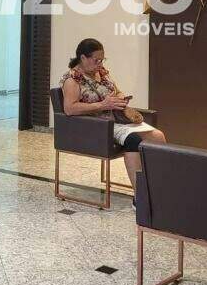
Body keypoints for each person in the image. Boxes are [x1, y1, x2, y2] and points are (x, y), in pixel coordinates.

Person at [60, 37, 166, 193]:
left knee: (158, 136)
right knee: (133, 141)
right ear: (83, 58)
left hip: (115, 119)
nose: (100, 64)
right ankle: (140, 196)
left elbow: (117, 91)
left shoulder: (101, 73)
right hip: (97, 125)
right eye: (96, 60)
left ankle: (156, 187)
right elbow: (70, 108)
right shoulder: (72, 79)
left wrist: (120, 98)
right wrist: (103, 105)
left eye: (102, 60)